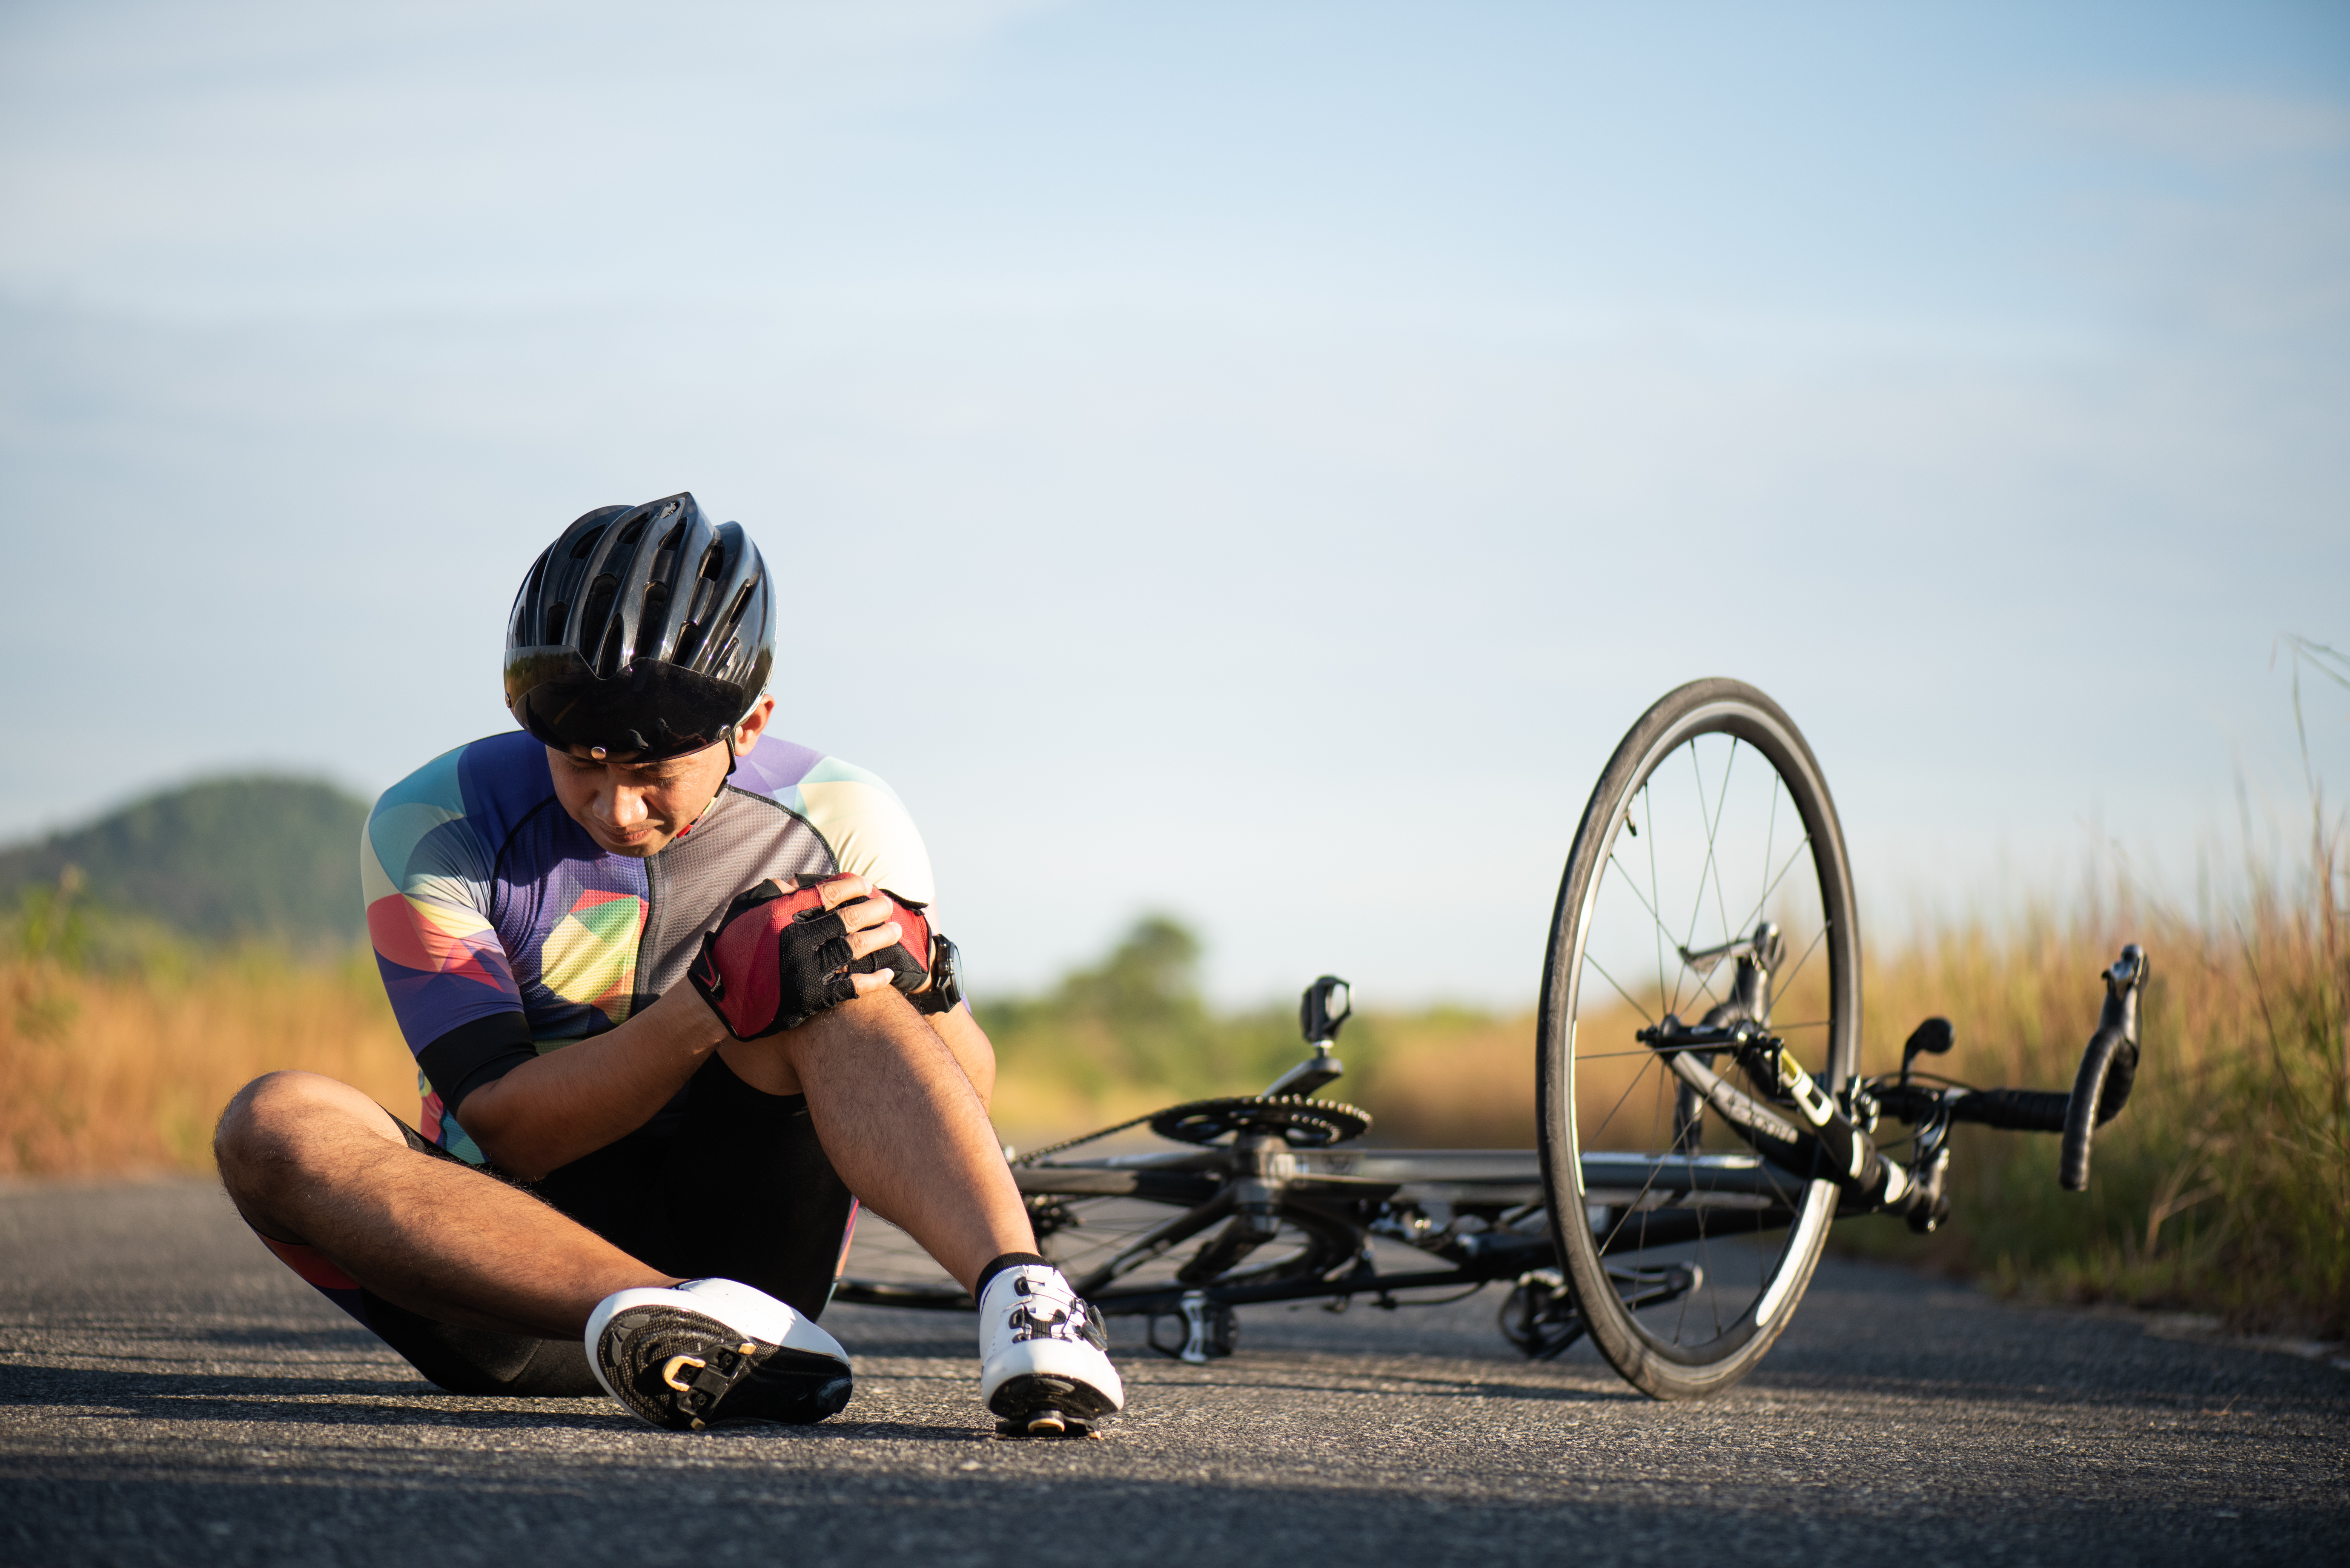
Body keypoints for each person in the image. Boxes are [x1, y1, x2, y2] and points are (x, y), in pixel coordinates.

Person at [213, 492, 1123, 1437]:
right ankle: (682, 1322)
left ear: (752, 722)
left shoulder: (844, 816)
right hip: (505, 1294)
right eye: (581, 763)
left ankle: (1027, 1301)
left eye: (654, 773)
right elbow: (510, 1130)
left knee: (824, 968)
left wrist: (925, 991)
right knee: (271, 1124)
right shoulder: (436, 822)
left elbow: (958, 1091)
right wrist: (709, 1007)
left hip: (753, 1256)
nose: (617, 808)